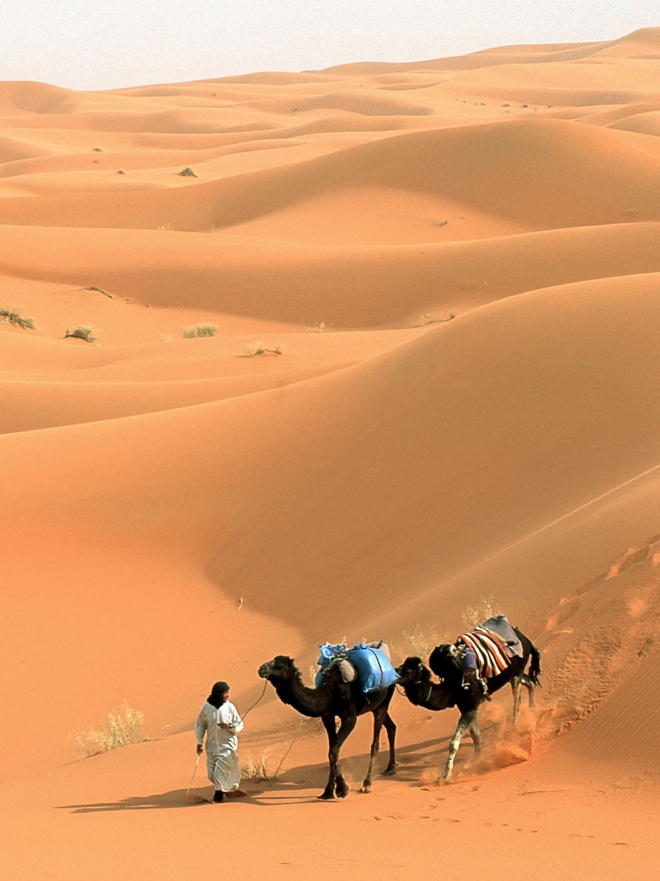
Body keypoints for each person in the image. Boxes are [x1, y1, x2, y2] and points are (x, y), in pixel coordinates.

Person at [195, 681, 244, 803]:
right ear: (218, 694)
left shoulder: (229, 707)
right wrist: (199, 741)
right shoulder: (206, 707)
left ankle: (218, 795)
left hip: (227, 746)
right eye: (225, 693)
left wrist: (230, 726)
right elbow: (201, 724)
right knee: (211, 775)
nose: (228, 695)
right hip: (211, 747)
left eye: (228, 692)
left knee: (219, 774)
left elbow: (239, 724)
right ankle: (228, 789)